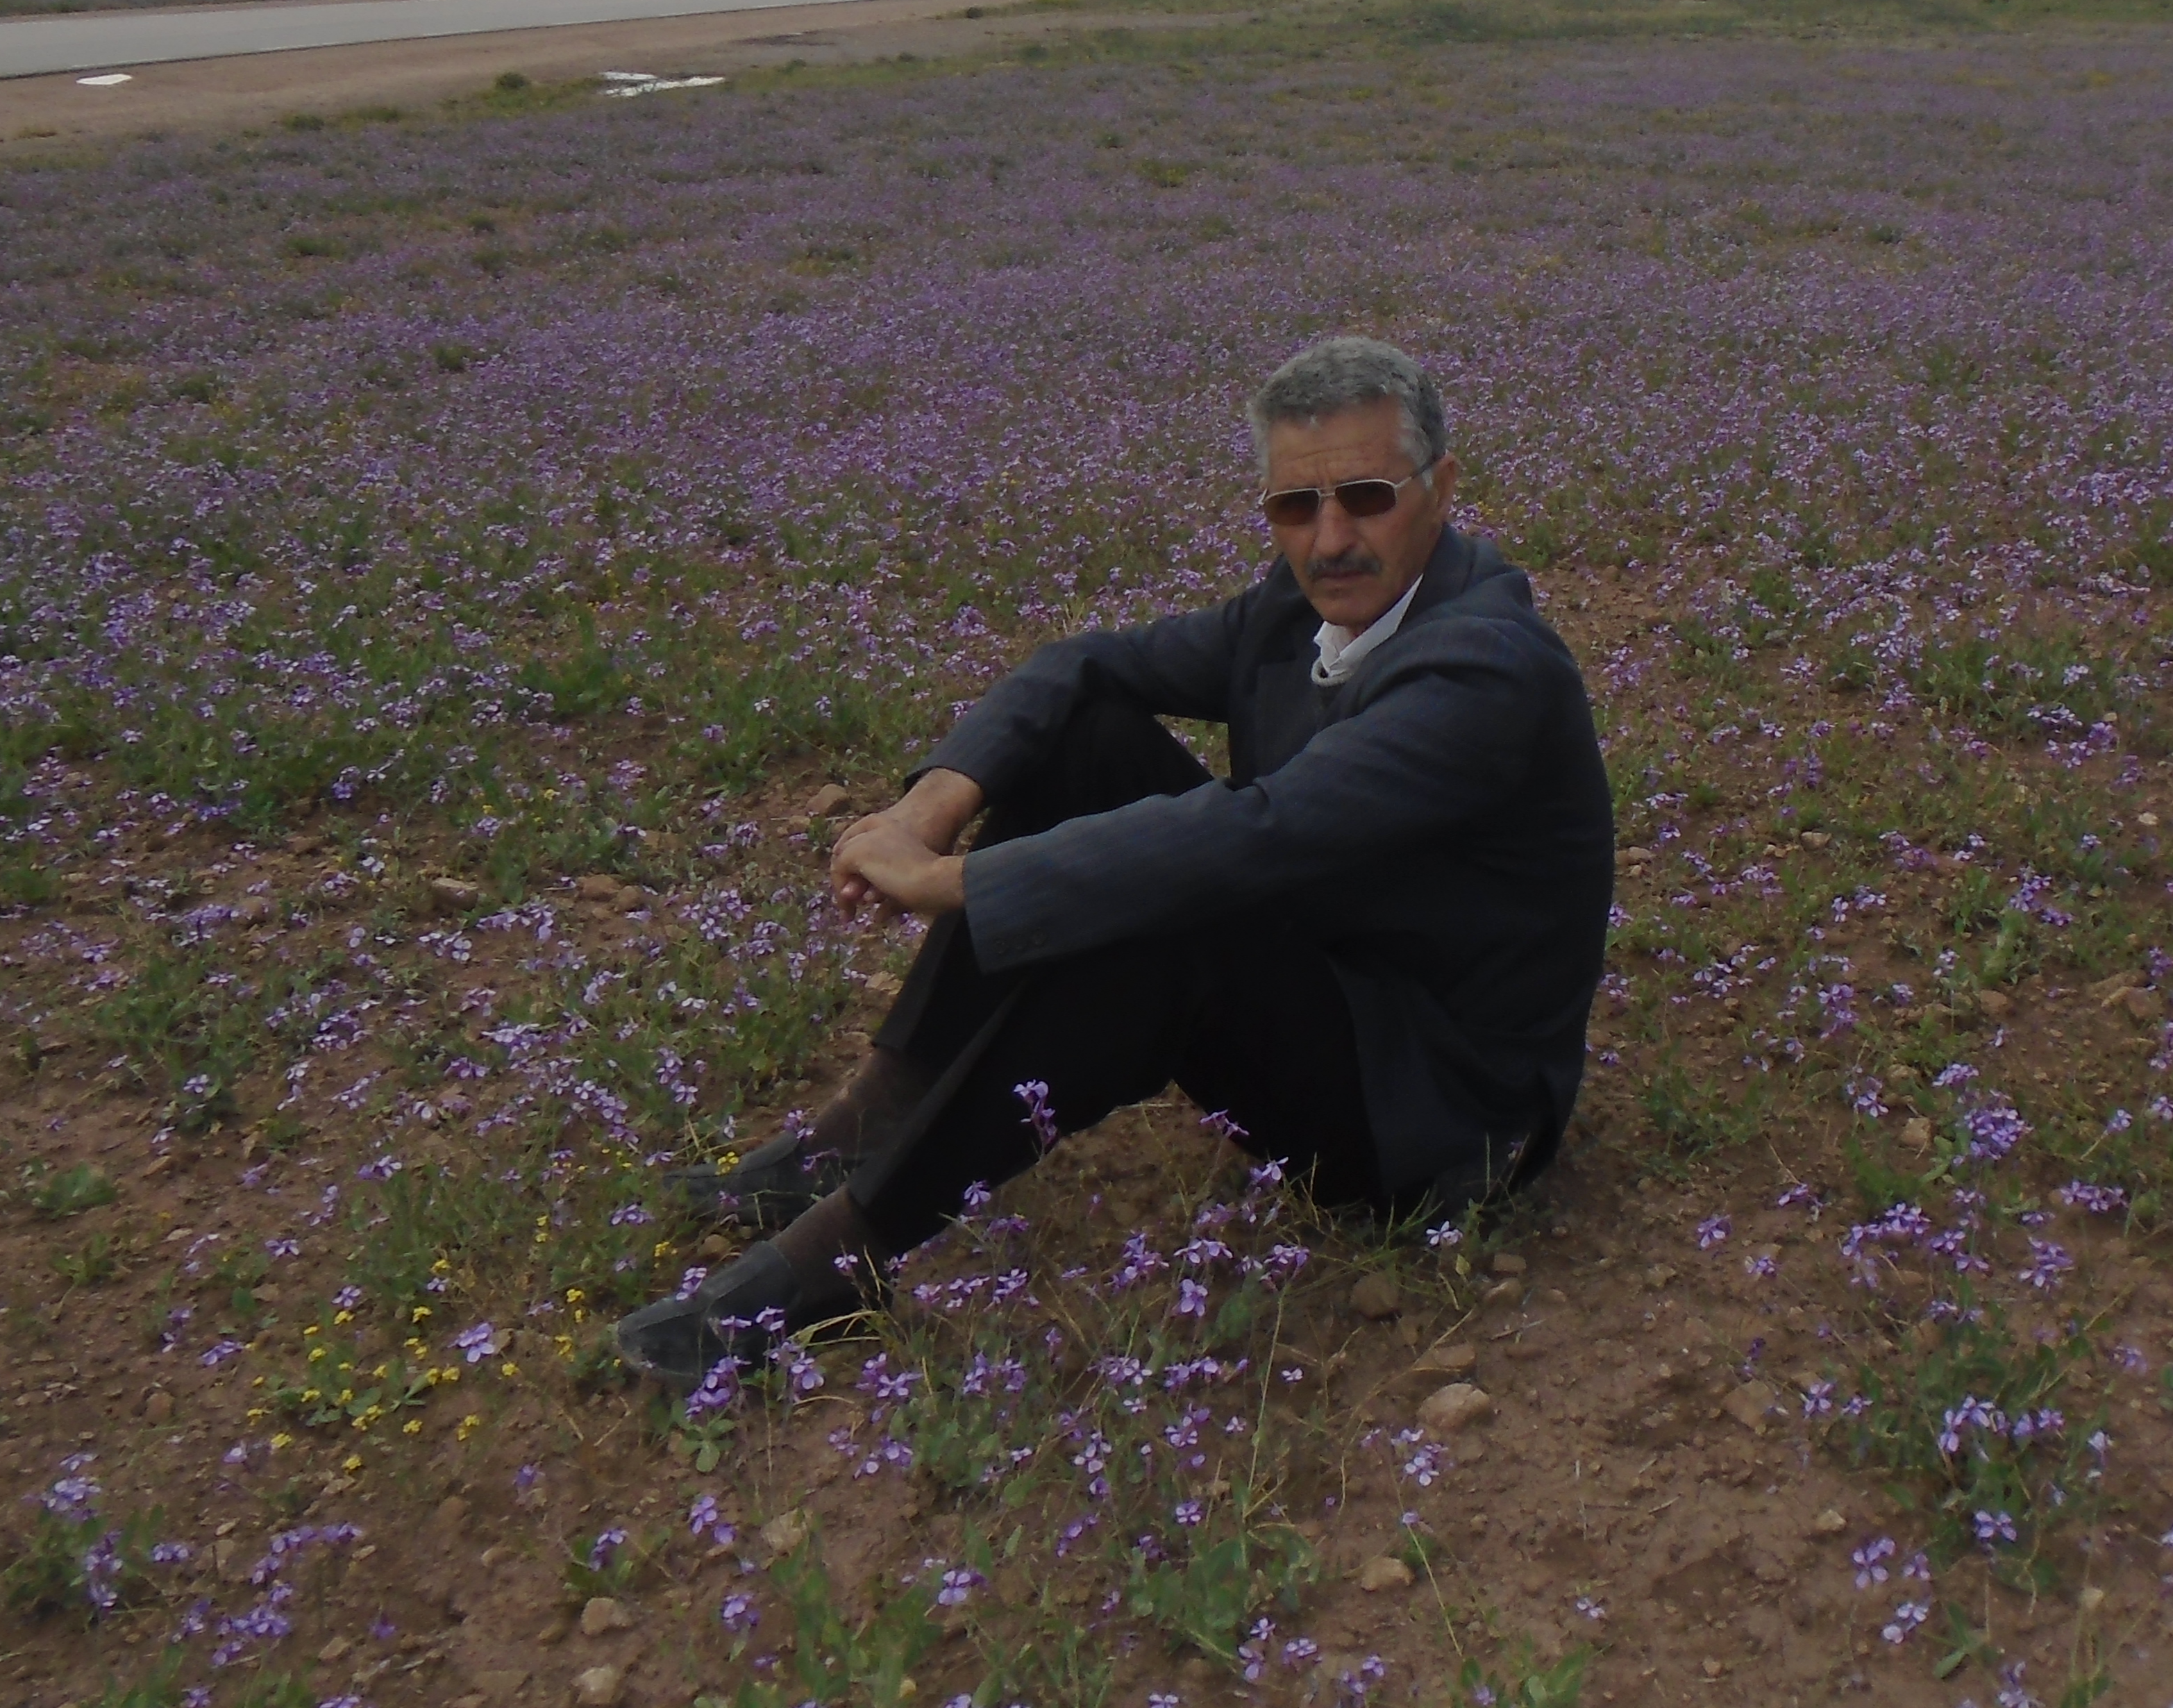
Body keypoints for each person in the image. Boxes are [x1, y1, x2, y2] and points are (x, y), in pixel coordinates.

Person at [616, 336, 1615, 1387]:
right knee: (1091, 739)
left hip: (1434, 1111)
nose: (1329, 540)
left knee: (1171, 914)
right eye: (1294, 507)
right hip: (1333, 981)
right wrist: (926, 810)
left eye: (1366, 498)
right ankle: (858, 1134)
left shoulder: (1487, 668)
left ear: (1441, 490)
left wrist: (953, 884)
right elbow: (1083, 668)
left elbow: (1258, 832)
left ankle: (844, 1256)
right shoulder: (1299, 608)